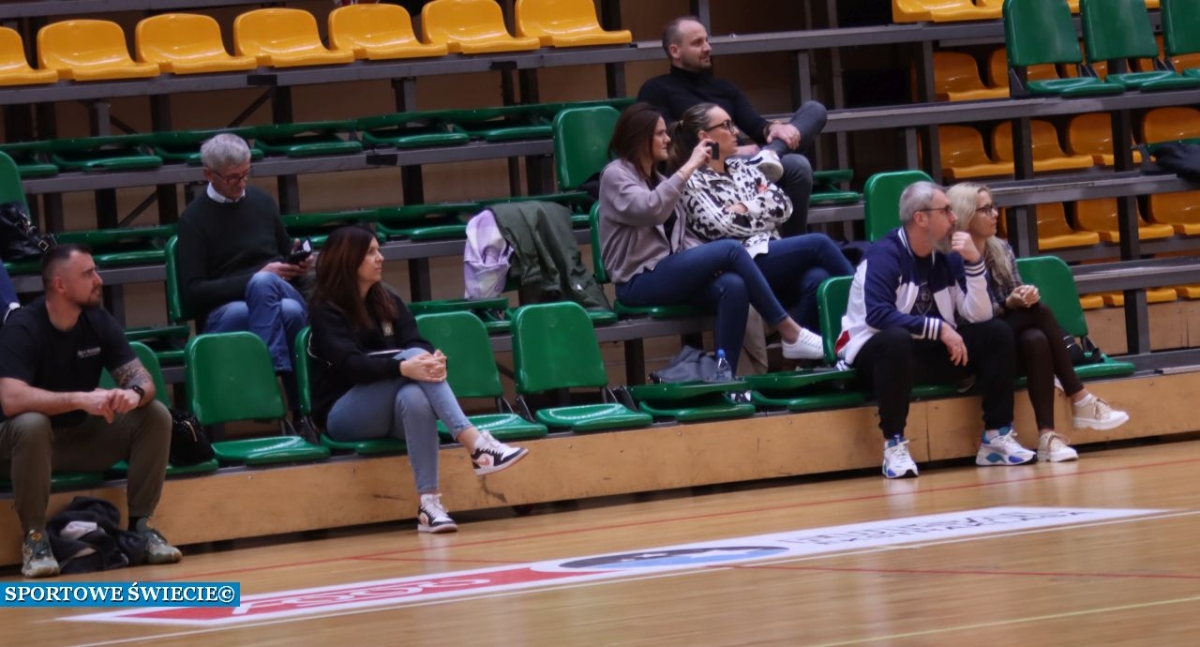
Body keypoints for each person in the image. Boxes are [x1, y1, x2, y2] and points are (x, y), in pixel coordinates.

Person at [308, 225, 528, 534]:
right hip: (344, 415)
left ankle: (429, 505)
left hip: (393, 412)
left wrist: (433, 360)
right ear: (348, 259)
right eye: (370, 252)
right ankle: (476, 444)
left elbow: (417, 341)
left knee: (414, 395)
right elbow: (352, 366)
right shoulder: (325, 311)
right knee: (410, 359)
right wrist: (404, 367)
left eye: (378, 250)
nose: (380, 258)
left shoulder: (387, 299)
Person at [599, 103, 825, 375]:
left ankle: (724, 375)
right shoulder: (615, 174)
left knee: (733, 284)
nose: (667, 138)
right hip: (636, 279)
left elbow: (682, 237)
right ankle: (788, 329)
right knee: (730, 249)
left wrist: (708, 263)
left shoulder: (658, 179)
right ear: (639, 138)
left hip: (668, 270)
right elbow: (651, 209)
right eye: (660, 134)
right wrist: (690, 165)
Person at [0, 245, 181, 578]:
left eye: (96, 271)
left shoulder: (98, 320)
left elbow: (143, 379)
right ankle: (35, 539)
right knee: (32, 424)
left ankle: (141, 527)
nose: (99, 280)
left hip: (76, 439)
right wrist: (81, 399)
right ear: (60, 284)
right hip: (17, 449)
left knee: (154, 414)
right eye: (88, 274)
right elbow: (11, 399)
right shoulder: (23, 327)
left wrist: (132, 394)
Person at [837, 181, 1033, 479]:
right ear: (920, 218)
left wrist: (974, 264)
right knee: (896, 340)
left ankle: (995, 438)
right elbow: (877, 316)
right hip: (873, 357)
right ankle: (894, 445)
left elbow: (978, 314)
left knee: (996, 333)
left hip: (923, 355)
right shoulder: (884, 255)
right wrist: (939, 328)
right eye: (946, 211)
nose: (955, 218)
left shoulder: (946, 255)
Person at [948, 183, 1129, 462]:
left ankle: (1048, 437)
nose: (995, 214)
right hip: (970, 351)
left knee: (1036, 338)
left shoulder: (1001, 248)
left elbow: (1016, 295)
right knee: (1040, 312)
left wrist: (1024, 295)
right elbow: (965, 319)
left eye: (994, 207)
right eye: (985, 209)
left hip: (1006, 346)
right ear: (965, 215)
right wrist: (1008, 305)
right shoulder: (950, 258)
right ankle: (1079, 396)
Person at [668, 102, 855, 333]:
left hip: (769, 252)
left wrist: (744, 207)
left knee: (817, 278)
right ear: (705, 136)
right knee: (819, 243)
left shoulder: (742, 168)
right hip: (739, 264)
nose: (736, 132)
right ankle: (870, 302)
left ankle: (801, 350)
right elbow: (722, 225)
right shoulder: (691, 180)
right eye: (727, 126)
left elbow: (784, 206)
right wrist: (761, 207)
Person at [638, 15, 828, 237]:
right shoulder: (656, 90)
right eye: (697, 43)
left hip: (746, 166)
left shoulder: (724, 88)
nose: (707, 48)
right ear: (675, 51)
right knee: (797, 165)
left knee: (815, 109)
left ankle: (771, 155)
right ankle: (795, 242)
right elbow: (672, 144)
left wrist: (772, 129)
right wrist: (731, 152)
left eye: (707, 40)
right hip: (704, 173)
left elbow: (756, 126)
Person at [177, 133, 311, 420]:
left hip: (276, 288)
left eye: (246, 174)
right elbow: (193, 292)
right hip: (228, 307)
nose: (241, 183)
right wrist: (253, 278)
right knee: (285, 309)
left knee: (269, 286)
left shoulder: (263, 201)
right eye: (232, 178)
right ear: (209, 175)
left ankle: (266, 381)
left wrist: (296, 262)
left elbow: (283, 253)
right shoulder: (192, 220)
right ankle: (302, 413)